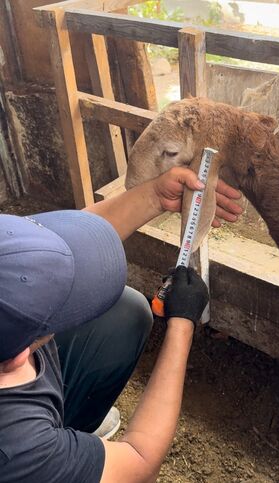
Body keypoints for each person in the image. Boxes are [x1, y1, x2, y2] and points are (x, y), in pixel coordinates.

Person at [0, 166, 242, 483]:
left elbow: (56, 250)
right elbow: (140, 462)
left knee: (126, 312)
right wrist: (182, 324)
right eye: (60, 304)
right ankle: (69, 454)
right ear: (18, 356)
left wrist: (155, 195)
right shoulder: (17, 447)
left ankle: (71, 431)